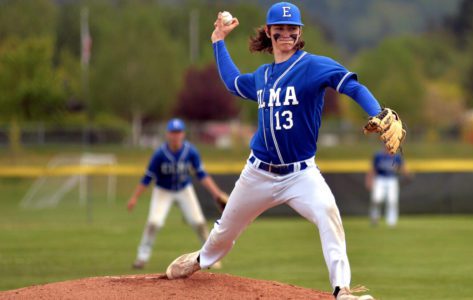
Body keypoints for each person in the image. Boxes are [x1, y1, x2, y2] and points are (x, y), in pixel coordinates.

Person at [165, 3, 405, 300]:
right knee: (223, 234)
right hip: (258, 173)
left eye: (292, 29)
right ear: (269, 32)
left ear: (300, 32)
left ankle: (341, 290)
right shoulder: (263, 76)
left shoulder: (313, 66)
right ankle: (200, 259)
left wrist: (377, 110)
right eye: (280, 29)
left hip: (301, 174)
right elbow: (232, 82)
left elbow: (351, 86)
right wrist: (218, 41)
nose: (287, 33)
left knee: (328, 214)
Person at [127, 118, 227, 269]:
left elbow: (201, 175)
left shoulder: (190, 151)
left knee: (199, 223)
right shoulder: (160, 154)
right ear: (168, 134)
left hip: (183, 189)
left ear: (183, 134)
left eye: (178, 132)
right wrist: (134, 197)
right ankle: (142, 257)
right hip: (163, 190)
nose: (176, 135)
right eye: (173, 132)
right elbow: (147, 178)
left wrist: (216, 193)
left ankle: (211, 257)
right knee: (154, 222)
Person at [366, 148, 409, 227]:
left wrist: (407, 175)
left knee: (392, 201)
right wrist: (369, 180)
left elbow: (402, 166)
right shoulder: (378, 156)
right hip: (380, 179)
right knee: (376, 199)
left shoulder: (396, 156)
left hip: (392, 179)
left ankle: (391, 222)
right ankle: (374, 217)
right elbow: (372, 169)